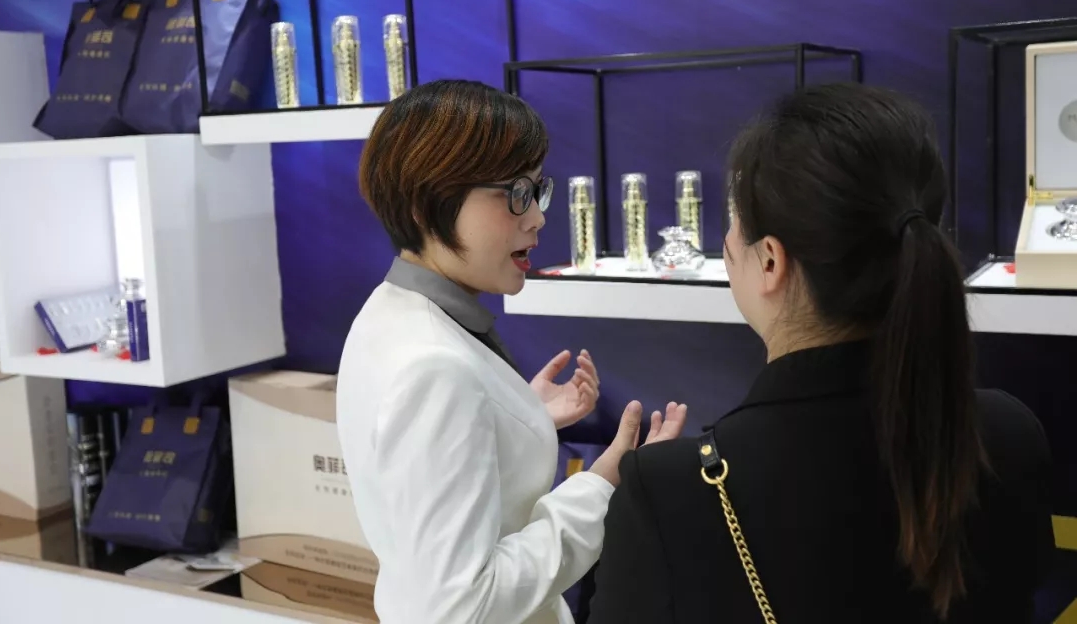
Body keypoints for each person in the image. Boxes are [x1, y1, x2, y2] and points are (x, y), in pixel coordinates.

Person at [587, 82, 1055, 623]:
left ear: (770, 261)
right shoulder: (1006, 434)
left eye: (735, 219)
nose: (728, 241)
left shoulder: (670, 490)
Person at [336, 79, 688, 624]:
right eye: (515, 193)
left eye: (537, 190)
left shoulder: (388, 312)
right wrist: (601, 485)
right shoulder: (434, 366)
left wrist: (513, 414)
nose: (537, 217)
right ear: (427, 203)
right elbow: (462, 606)